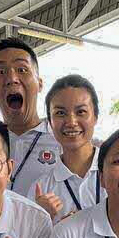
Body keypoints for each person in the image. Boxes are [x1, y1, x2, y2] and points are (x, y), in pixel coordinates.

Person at [0, 37, 61, 197]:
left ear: (39, 84)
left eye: (22, 70)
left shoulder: (63, 140)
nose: (11, 79)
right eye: (0, 72)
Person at [28, 75, 103, 223]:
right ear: (49, 122)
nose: (71, 122)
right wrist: (43, 222)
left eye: (81, 112)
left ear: (95, 117)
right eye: (60, 113)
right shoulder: (41, 189)